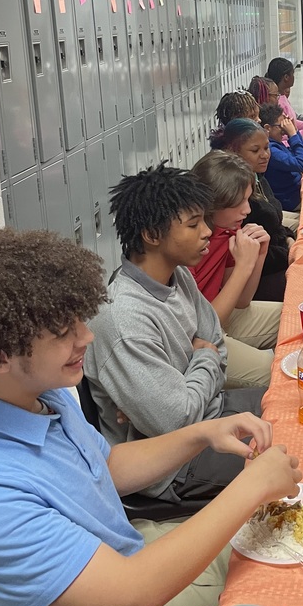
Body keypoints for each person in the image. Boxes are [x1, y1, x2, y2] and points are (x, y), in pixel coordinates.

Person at [0, 227, 302, 606]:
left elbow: (101, 468)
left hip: (132, 567)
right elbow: (128, 598)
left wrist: (200, 433)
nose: (87, 335)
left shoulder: (36, 396)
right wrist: (249, 489)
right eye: (65, 332)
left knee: (283, 555)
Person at [85, 164, 267, 502]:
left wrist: (196, 367)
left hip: (212, 413)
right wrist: (202, 356)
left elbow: (215, 340)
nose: (207, 233)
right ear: (153, 236)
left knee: (288, 403)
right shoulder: (124, 319)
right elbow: (175, 420)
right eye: (193, 224)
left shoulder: (178, 275)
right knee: (285, 454)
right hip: (175, 466)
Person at [189, 151, 282, 387]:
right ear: (212, 204)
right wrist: (244, 266)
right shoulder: (189, 246)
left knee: (295, 315)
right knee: (269, 370)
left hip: (219, 316)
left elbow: (241, 301)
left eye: (248, 200)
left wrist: (259, 254)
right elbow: (206, 327)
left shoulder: (228, 231)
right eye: (238, 202)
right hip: (197, 336)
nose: (247, 210)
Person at [211, 118, 291, 302]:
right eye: (255, 150)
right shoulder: (231, 209)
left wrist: (288, 239)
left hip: (273, 254)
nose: (265, 155)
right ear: (233, 152)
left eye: (267, 147)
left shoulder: (257, 177)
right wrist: (288, 253)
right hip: (261, 274)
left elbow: (274, 220)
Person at [258, 102, 303, 217]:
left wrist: (295, 130)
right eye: (280, 126)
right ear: (267, 128)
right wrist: (292, 134)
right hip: (291, 200)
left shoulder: (276, 144)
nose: (284, 130)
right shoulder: (271, 150)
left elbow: (301, 156)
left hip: (296, 191)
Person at [265, 57, 303, 135]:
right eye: (292, 74)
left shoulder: (283, 97)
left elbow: (293, 121)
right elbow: (283, 134)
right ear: (286, 77)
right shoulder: (277, 102)